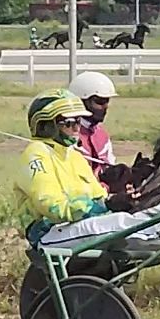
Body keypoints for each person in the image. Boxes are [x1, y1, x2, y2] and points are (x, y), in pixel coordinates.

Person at [15, 89, 140, 246]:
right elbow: (53, 208)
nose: (76, 129)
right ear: (46, 126)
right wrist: (105, 205)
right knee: (123, 224)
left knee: (144, 216)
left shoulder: (74, 155)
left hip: (76, 226)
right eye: (68, 123)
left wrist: (120, 198)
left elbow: (98, 196)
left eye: (78, 121)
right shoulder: (36, 154)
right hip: (47, 231)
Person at [67, 70, 118, 181]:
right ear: (81, 102)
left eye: (107, 101)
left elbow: (110, 167)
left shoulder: (102, 135)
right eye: (100, 101)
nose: (105, 106)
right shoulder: (66, 136)